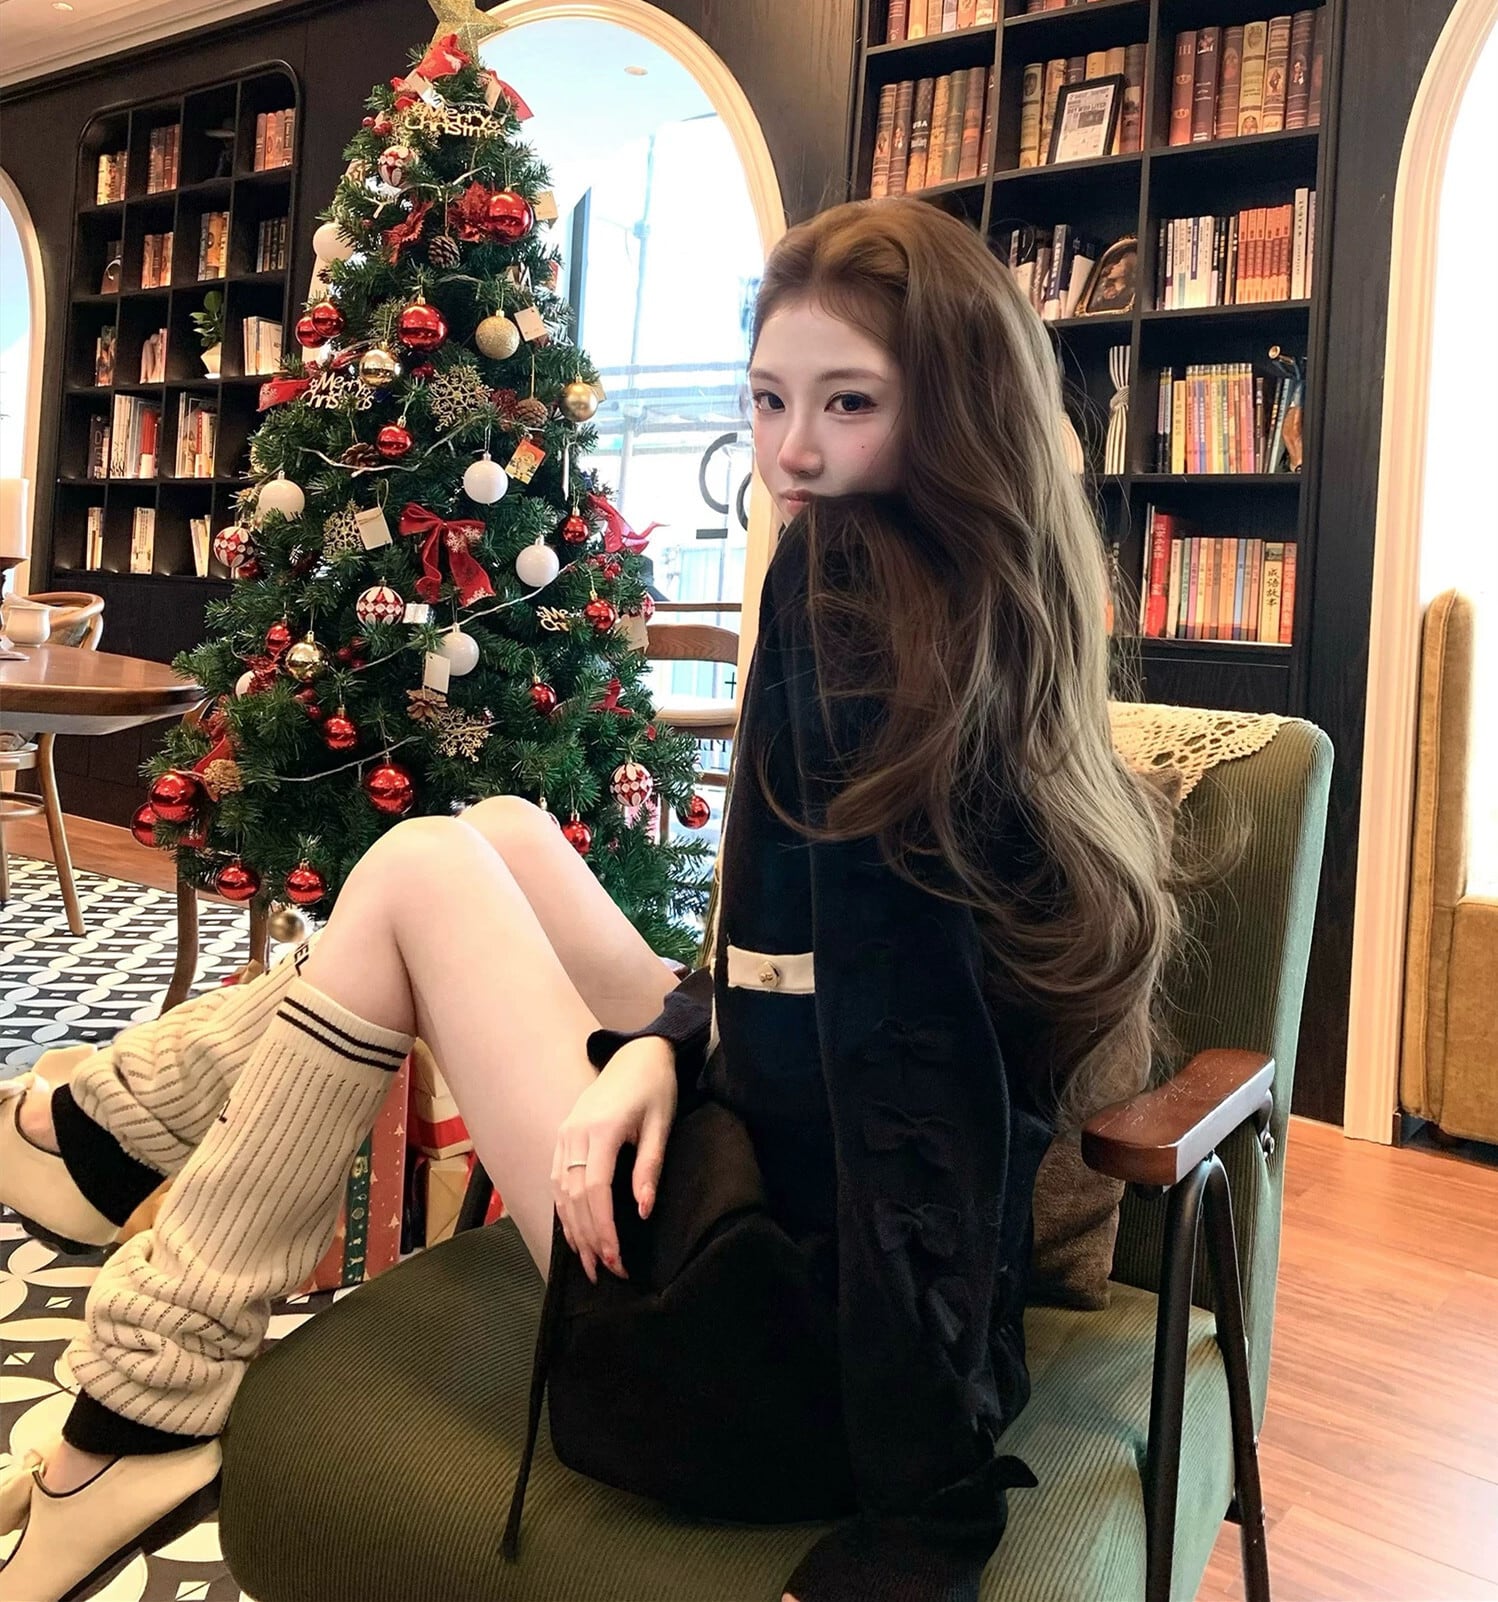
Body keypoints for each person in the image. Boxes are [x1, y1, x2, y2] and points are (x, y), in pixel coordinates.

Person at [0, 195, 1183, 1602]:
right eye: (768, 398)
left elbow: (917, 1091)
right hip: (780, 1175)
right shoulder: (988, 605)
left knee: (421, 868)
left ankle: (140, 1397)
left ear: (954, 411)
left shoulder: (849, 594)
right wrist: (666, 1048)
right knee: (498, 828)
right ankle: (105, 1130)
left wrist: (924, 1519)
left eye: (850, 403)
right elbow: (805, 976)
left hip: (762, 1334)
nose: (794, 451)